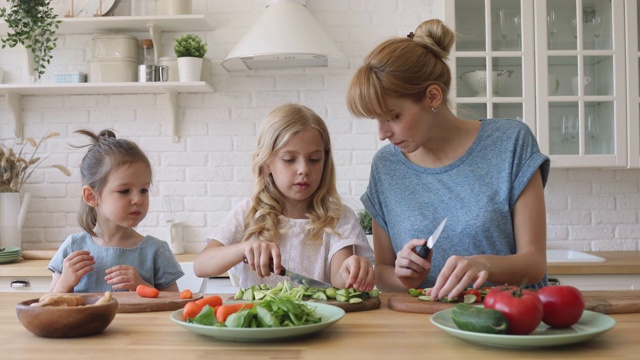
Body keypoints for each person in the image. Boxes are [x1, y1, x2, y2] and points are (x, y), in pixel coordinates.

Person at [346, 19, 550, 300]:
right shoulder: (386, 167)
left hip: (510, 319)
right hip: (424, 324)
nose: (382, 134)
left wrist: (484, 265)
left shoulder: (510, 142)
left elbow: (534, 264)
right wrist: (404, 277)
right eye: (376, 120)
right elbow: (383, 273)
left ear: (432, 96)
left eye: (393, 116)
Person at [194, 103, 376, 291]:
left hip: (319, 319)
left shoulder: (338, 217)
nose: (304, 170)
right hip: (257, 320)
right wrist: (245, 248)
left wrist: (352, 270)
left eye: (314, 160)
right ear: (266, 163)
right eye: (289, 159)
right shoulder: (248, 212)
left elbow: (341, 279)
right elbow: (201, 265)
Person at [47, 129, 183, 293]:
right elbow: (47, 306)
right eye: (125, 191)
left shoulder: (156, 251)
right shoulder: (73, 247)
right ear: (91, 196)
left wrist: (142, 287)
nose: (138, 199)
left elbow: (175, 307)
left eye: (144, 190)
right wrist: (64, 283)